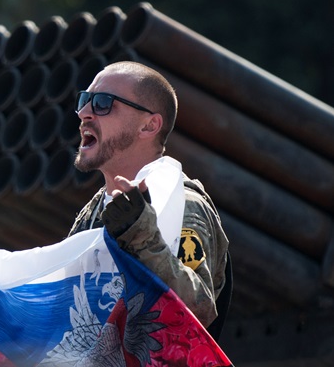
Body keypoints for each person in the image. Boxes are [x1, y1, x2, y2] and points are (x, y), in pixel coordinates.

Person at [68, 61, 231, 336]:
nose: (84, 113)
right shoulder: (93, 211)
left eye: (104, 102)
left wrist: (142, 236)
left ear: (149, 125)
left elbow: (197, 311)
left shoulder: (180, 202)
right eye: (85, 100)